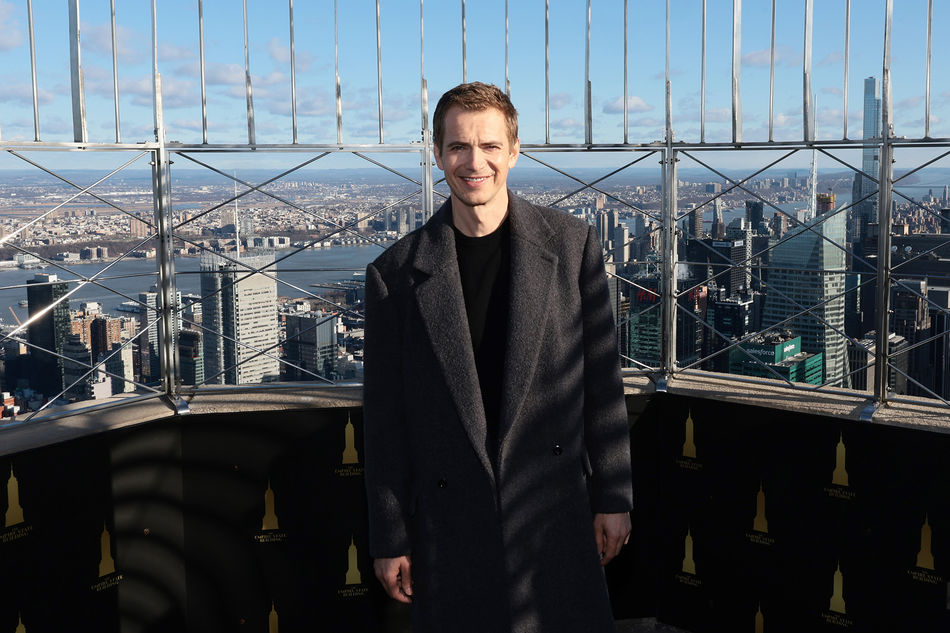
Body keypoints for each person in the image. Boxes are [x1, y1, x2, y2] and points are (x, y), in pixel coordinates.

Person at [363, 81, 633, 633]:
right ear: (437, 155)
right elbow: (385, 422)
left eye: (489, 146)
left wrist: (614, 494)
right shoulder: (394, 275)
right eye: (458, 146)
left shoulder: (572, 246)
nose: (474, 162)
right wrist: (389, 536)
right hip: (448, 524)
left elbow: (601, 384)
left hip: (552, 513)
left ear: (514, 150)